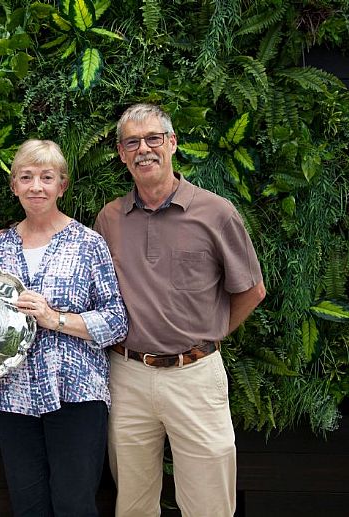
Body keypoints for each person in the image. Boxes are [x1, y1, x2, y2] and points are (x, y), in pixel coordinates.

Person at [94, 103, 267, 517]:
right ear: (121, 154)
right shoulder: (110, 219)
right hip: (128, 376)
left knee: (209, 505)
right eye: (132, 142)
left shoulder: (216, 212)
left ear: (172, 143)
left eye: (153, 138)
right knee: (133, 504)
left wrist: (208, 337)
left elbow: (252, 290)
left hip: (196, 377)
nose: (144, 149)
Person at [0, 139, 128, 516]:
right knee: (28, 506)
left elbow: (116, 320)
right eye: (26, 177)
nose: (36, 186)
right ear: (14, 186)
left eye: (47, 177)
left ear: (62, 186)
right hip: (13, 394)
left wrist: (55, 319)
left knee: (74, 505)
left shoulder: (89, 244)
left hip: (76, 394)